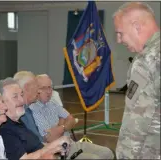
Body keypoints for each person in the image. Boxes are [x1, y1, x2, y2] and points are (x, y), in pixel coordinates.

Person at [113, 2, 160, 159]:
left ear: (137, 26)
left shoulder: (146, 60)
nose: (119, 40)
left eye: (120, 33)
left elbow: (136, 122)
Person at [30, 74, 114, 159]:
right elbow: (49, 138)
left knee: (107, 153)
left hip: (72, 143)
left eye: (50, 87)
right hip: (60, 151)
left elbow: (72, 120)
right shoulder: (34, 109)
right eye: (44, 88)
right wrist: (62, 121)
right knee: (95, 159)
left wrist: (60, 127)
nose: (49, 91)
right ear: (36, 90)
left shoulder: (53, 103)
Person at [0, 77, 71, 160]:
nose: (21, 100)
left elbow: (37, 146)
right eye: (15, 97)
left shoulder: (17, 122)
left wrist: (57, 146)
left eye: (21, 95)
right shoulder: (5, 130)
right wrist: (51, 147)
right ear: (2, 102)